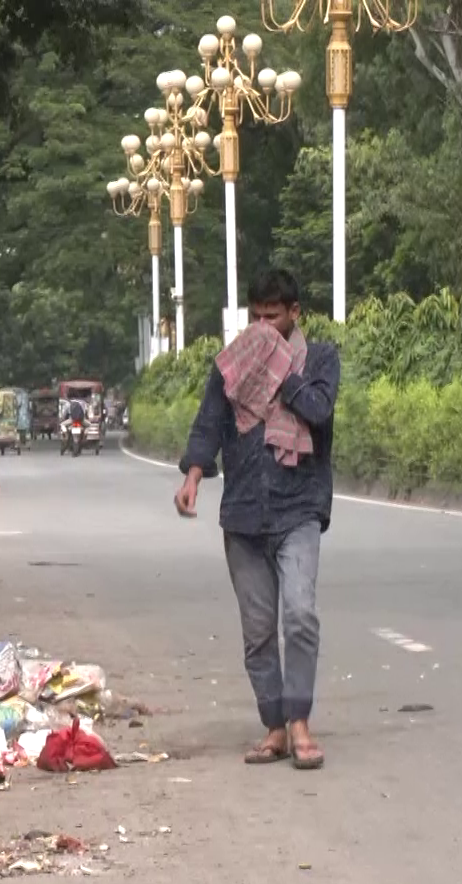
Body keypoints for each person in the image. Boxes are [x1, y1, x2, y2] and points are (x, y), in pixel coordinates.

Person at [175, 269, 340, 771]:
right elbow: (209, 420)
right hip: (243, 512)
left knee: (300, 615)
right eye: (257, 318)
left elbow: (318, 410)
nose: (264, 326)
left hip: (300, 507)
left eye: (274, 317)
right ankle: (274, 727)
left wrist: (275, 368)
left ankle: (300, 722)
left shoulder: (320, 359)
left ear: (295, 314)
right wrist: (194, 475)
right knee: (259, 630)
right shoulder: (232, 363)